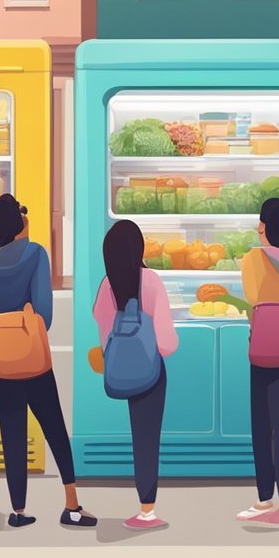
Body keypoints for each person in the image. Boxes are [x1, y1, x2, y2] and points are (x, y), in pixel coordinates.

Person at [0, 194, 96, 529]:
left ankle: (18, 511)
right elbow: (45, 313)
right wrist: (25, 313)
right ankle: (71, 505)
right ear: (20, 221)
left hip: (3, 365)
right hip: (34, 362)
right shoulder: (36, 253)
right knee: (55, 429)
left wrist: (4, 316)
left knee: (11, 436)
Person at [223, 198, 279, 529]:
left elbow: (251, 297)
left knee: (261, 428)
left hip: (261, 348)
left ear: (262, 226)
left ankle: (268, 501)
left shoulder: (251, 260)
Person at [91, 219, 178, 530]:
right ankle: (147, 509)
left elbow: (103, 335)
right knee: (148, 439)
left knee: (136, 437)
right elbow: (167, 343)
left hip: (120, 370)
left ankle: (144, 508)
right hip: (151, 371)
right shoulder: (151, 281)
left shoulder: (106, 286)